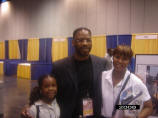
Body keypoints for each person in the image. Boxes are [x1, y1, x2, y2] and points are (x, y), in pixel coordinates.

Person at [21, 27, 112, 118]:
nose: (85, 43)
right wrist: (30, 105)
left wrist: (123, 108)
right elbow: (49, 88)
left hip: (93, 114)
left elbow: (112, 91)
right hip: (68, 114)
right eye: (80, 40)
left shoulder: (102, 63)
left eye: (88, 40)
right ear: (73, 42)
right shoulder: (60, 66)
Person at [101, 45, 153, 118]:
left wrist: (136, 116)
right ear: (113, 57)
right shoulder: (102, 77)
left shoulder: (136, 82)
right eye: (117, 57)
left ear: (129, 61)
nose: (120, 61)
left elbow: (149, 107)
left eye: (124, 59)